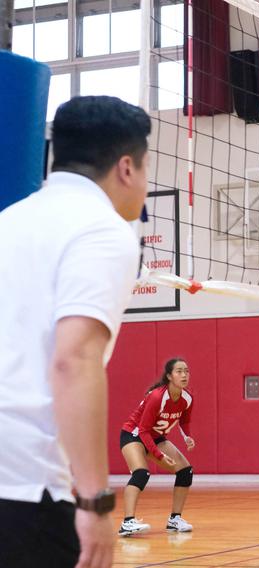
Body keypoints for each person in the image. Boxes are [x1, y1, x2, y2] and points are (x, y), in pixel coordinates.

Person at [0, 96, 149, 568]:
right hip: (26, 487)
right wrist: (94, 501)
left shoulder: (9, 220)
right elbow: (73, 361)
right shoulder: (105, 231)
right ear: (126, 167)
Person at [117, 358, 196, 536]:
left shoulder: (187, 398)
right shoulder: (157, 397)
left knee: (185, 471)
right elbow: (143, 431)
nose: (184, 375)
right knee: (141, 473)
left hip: (155, 436)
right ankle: (127, 522)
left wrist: (187, 437)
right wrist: (159, 456)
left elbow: (184, 420)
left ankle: (175, 520)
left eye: (187, 371)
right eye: (179, 371)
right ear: (169, 376)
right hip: (134, 434)